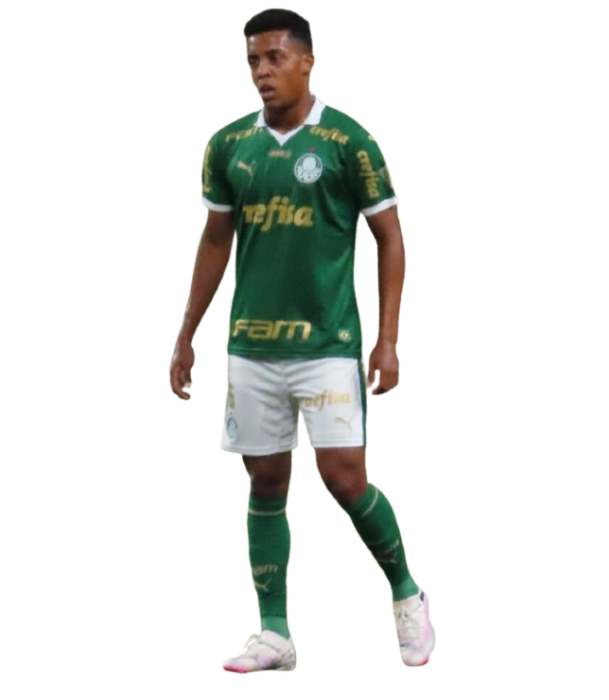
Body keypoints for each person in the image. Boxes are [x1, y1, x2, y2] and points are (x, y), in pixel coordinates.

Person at [168, 7, 435, 674]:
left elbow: (390, 238)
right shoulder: (228, 144)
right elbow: (216, 240)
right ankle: (275, 635)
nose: (262, 71)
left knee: (345, 480)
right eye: (252, 60)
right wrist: (186, 335)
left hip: (329, 343)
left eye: (275, 58)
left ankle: (407, 595)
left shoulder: (349, 141)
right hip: (250, 346)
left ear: (308, 61)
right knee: (265, 481)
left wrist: (388, 340)